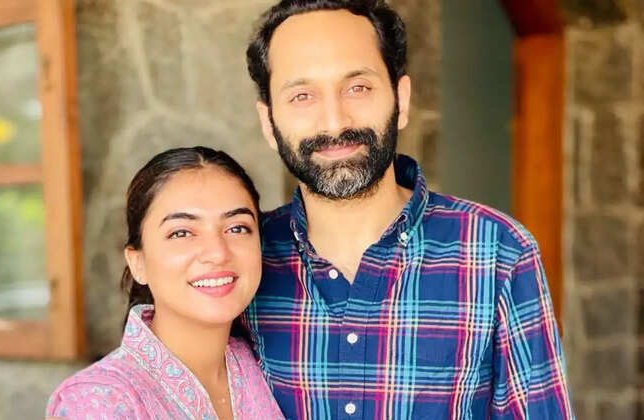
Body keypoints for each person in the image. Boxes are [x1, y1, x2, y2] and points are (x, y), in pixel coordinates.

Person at [241, 0, 574, 418]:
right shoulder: (240, 260)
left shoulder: (499, 253)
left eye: (357, 88)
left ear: (401, 98)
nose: (334, 121)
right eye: (302, 95)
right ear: (269, 122)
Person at [46, 147, 284, 420]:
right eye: (181, 233)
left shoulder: (269, 368)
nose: (218, 253)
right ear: (138, 263)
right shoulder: (96, 403)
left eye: (237, 228)